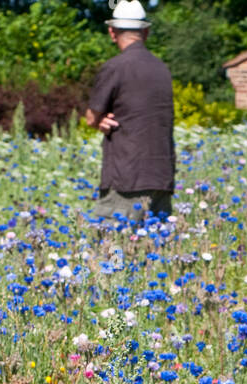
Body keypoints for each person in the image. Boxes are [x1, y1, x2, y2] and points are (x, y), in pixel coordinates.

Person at [84, 1, 175, 224]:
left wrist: (100, 121)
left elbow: (91, 117)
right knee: (156, 252)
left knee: (114, 248)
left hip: (127, 178)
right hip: (161, 177)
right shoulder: (161, 68)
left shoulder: (116, 66)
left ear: (112, 32)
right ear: (146, 32)